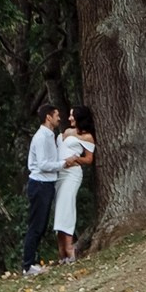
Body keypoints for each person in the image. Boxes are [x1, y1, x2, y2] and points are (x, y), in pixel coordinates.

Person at [22, 105, 65, 276]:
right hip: (40, 184)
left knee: (41, 225)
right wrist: (64, 164)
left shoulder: (50, 136)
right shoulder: (41, 138)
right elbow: (43, 164)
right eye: (56, 115)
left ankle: (31, 262)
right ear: (48, 117)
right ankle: (27, 265)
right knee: (36, 226)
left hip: (46, 184)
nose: (59, 118)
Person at [54, 104, 97, 264]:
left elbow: (89, 159)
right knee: (59, 209)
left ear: (80, 118)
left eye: (73, 115)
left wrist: (75, 159)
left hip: (72, 173)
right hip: (59, 174)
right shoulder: (66, 131)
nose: (70, 118)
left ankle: (70, 248)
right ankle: (62, 251)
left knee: (67, 207)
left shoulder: (87, 137)